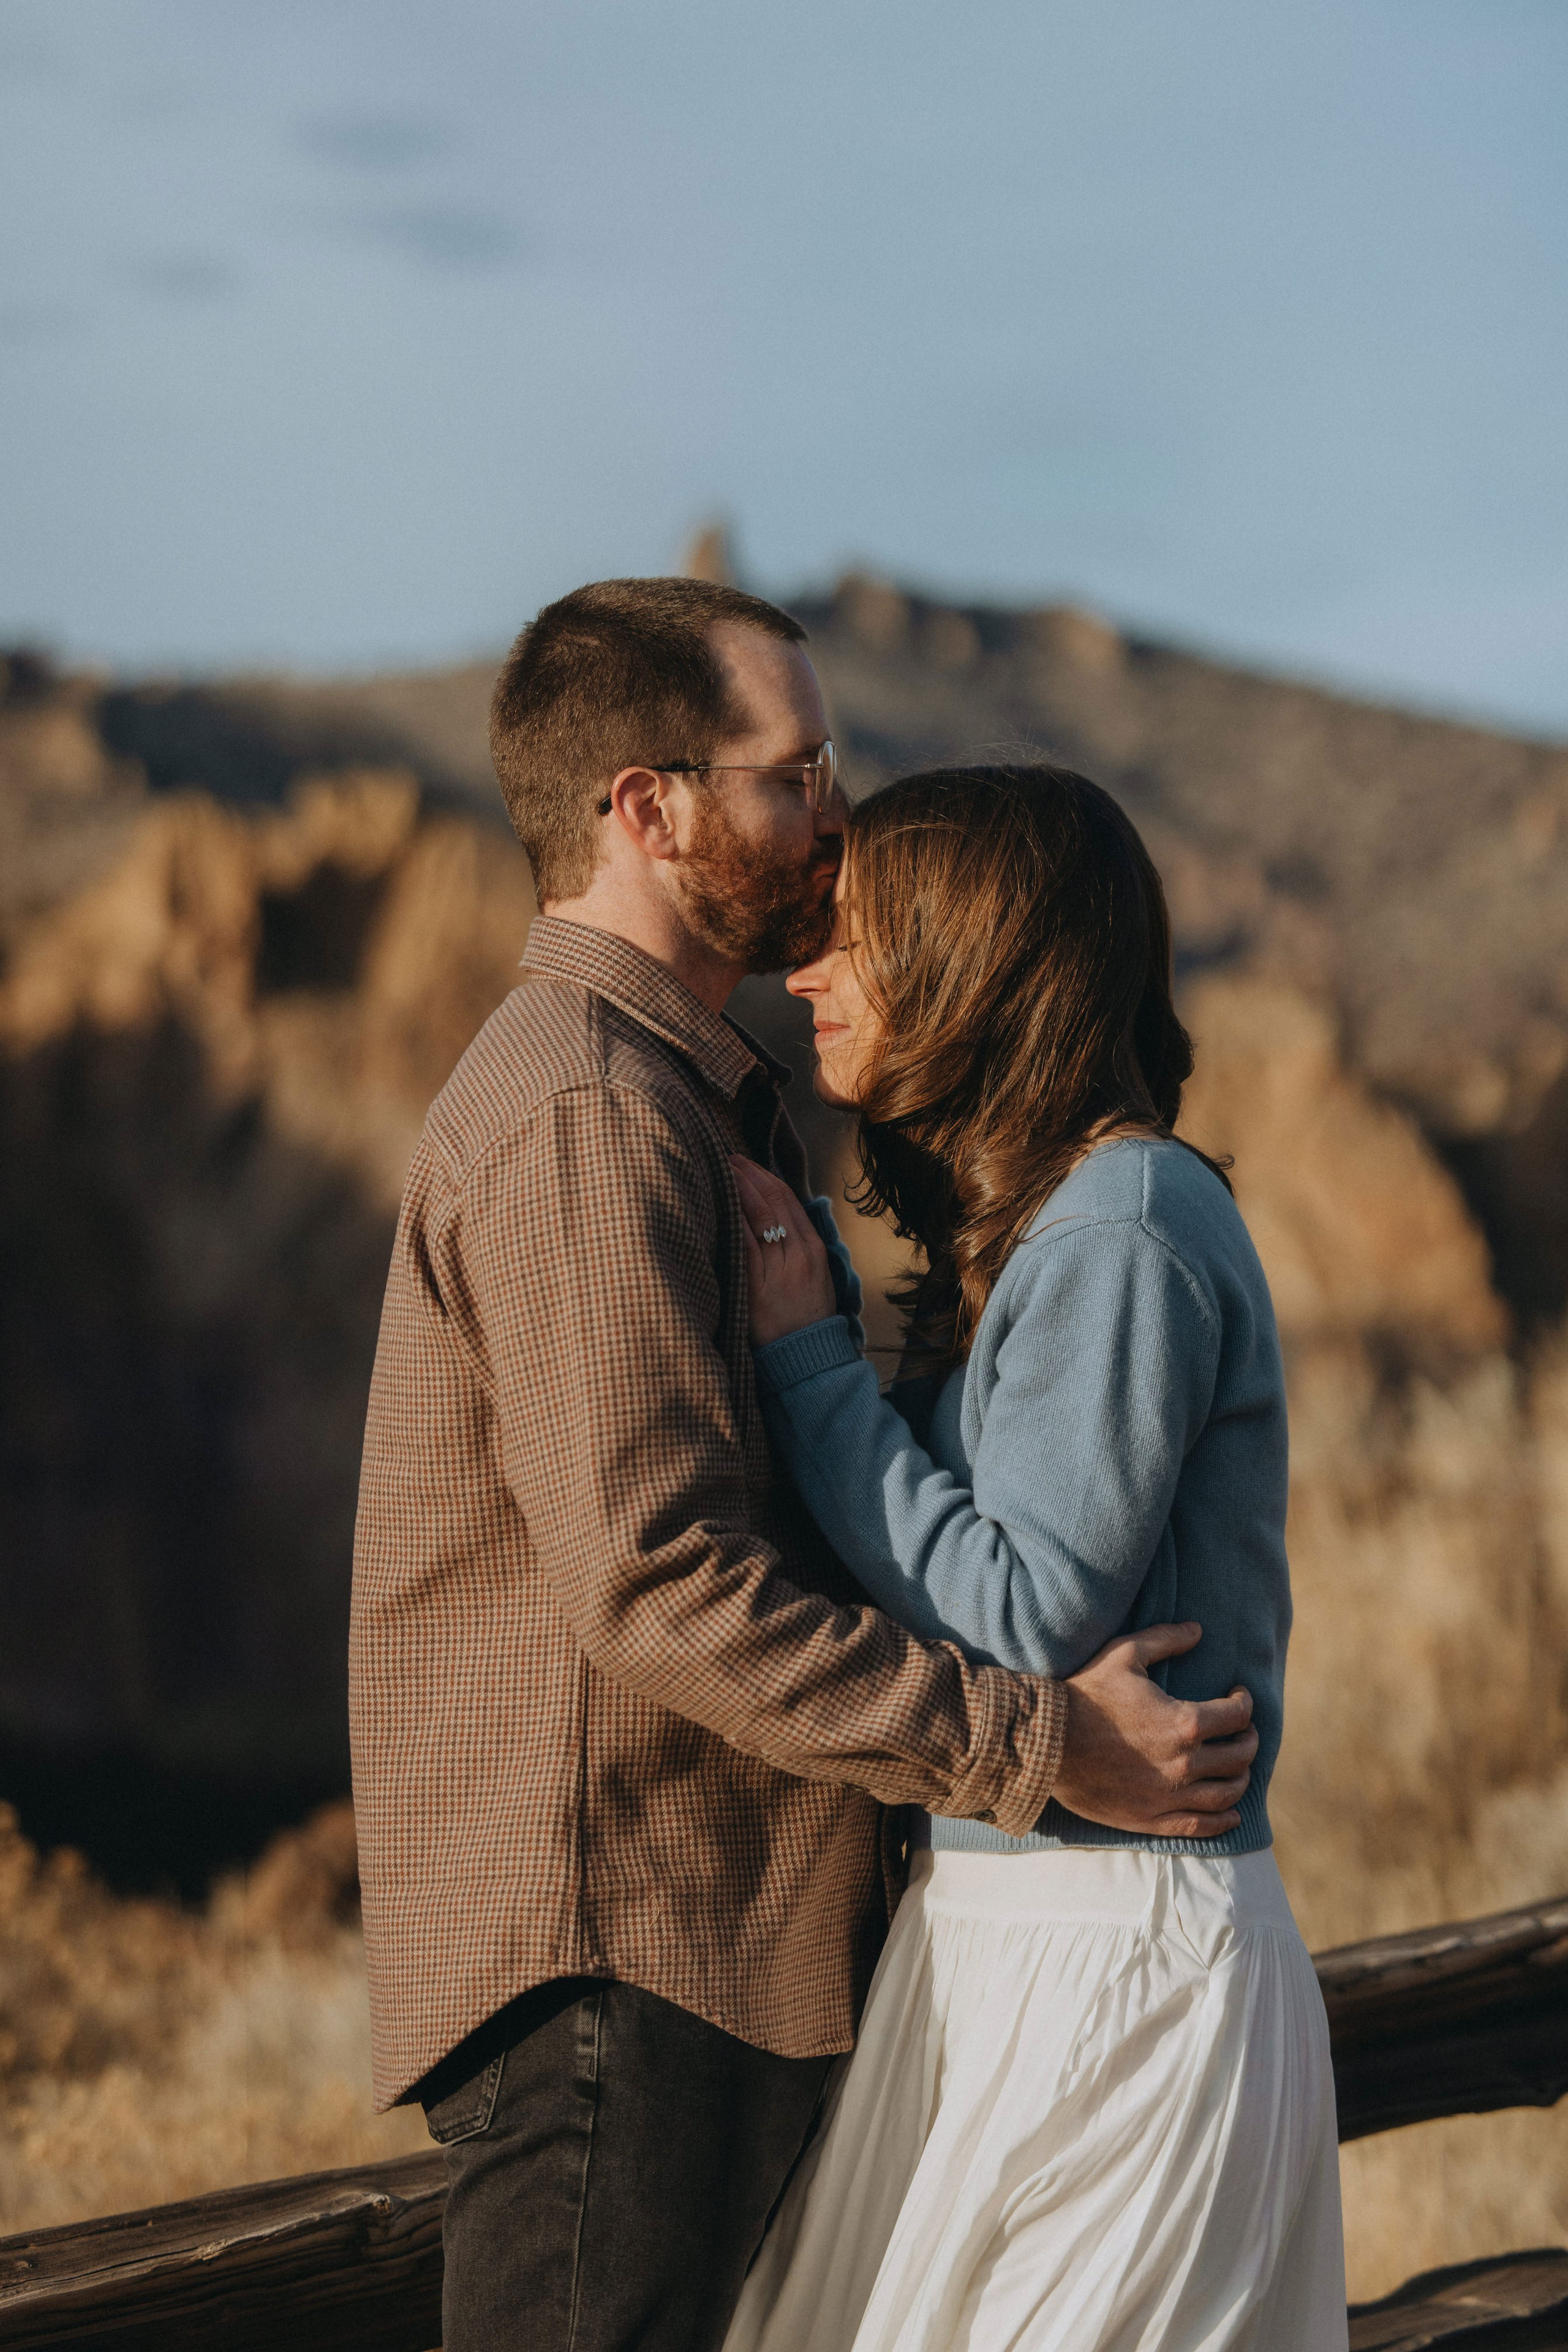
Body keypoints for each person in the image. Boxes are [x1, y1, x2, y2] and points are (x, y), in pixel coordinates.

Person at [349, 582, 1261, 2352]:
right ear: (648, 806)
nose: (836, 811)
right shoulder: (583, 1110)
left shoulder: (683, 1093)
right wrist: (1038, 1741)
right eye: (798, 770)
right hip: (631, 1943)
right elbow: (657, 1580)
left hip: (701, 1943)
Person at [723, 763, 1346, 2352]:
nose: (807, 979)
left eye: (854, 941)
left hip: (1116, 1964)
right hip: (1028, 1938)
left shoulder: (1124, 1226)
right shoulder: (1058, 1230)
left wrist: (810, 1366)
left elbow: (1019, 1612)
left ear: (973, 961)